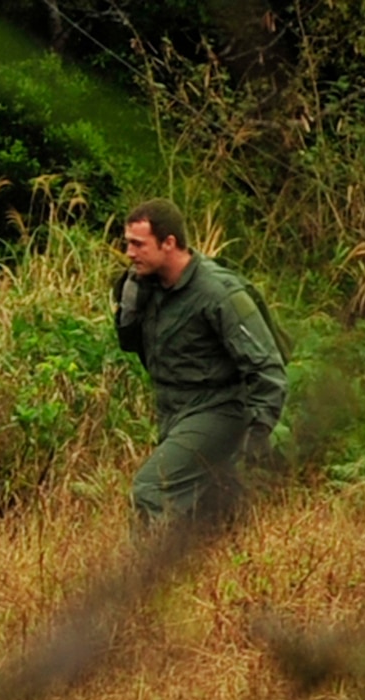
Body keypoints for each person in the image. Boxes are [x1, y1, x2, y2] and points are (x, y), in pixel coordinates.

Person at [114, 199, 287, 525]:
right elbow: (133, 346)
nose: (129, 252)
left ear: (169, 243)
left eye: (138, 244)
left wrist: (257, 433)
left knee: (152, 490)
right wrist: (127, 310)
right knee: (213, 519)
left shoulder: (217, 292)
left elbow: (267, 367)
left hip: (217, 411)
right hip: (173, 411)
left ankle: (145, 572)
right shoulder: (145, 286)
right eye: (127, 243)